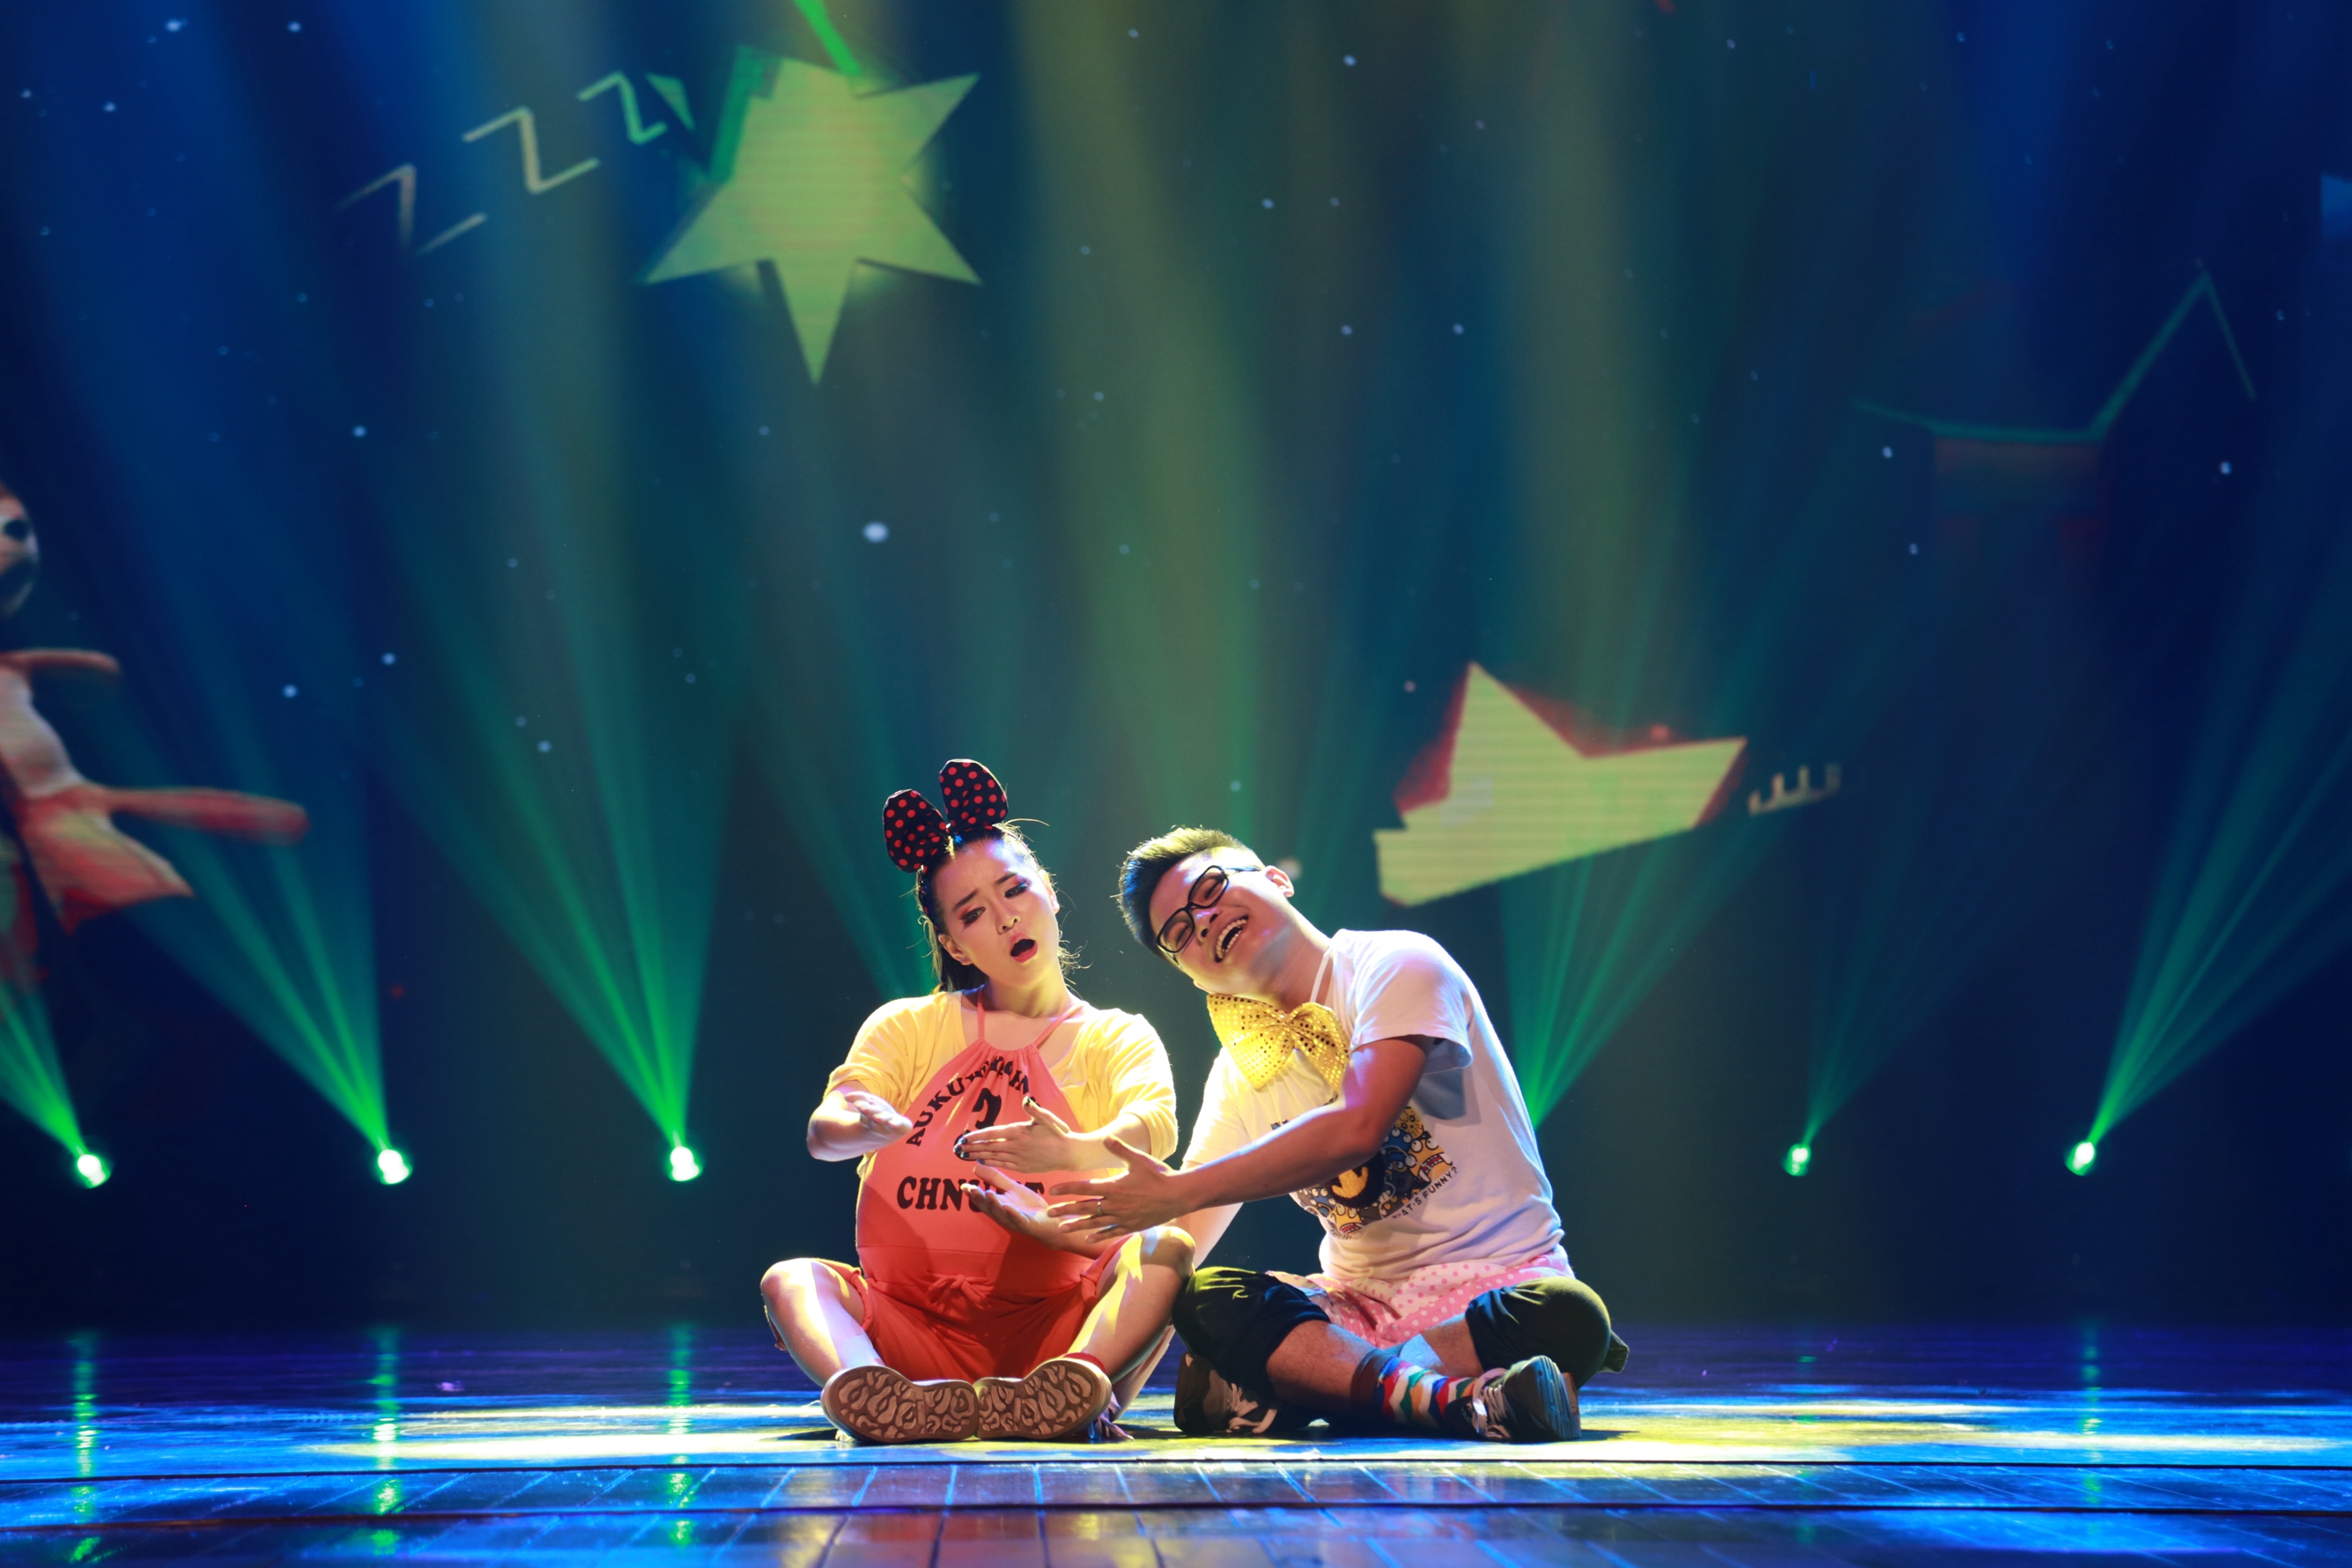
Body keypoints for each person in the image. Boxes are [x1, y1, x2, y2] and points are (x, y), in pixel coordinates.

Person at [1049, 827, 1626, 1444]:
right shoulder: (1239, 1071)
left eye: (1211, 888)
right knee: (1210, 1298)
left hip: (1496, 1292)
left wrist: (1180, 1191)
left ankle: (1317, 1388)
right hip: (1356, 1310)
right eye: (1180, 933)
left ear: (1275, 879)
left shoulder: (1397, 962)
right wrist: (1060, 1235)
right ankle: (1454, 1400)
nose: (1204, 920)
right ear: (1190, 974)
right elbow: (1184, 1232)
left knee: (1572, 1318)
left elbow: (1358, 1126)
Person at [759, 760, 1193, 1445]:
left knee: (1166, 1249)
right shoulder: (908, 1025)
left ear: (1048, 891)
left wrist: (1072, 1150)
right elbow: (826, 1128)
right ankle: (872, 1393)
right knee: (791, 1280)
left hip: (1051, 1331)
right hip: (910, 1336)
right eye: (972, 914)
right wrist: (858, 1125)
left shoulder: (1115, 1035)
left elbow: (1156, 1128)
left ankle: (1074, 1386)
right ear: (953, 943)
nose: (1005, 917)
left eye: (1014, 889)